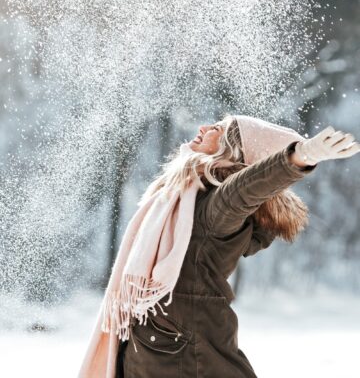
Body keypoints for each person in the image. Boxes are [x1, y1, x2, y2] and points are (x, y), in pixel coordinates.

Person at [78, 114, 360, 378]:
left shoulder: (215, 208)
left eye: (217, 129)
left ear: (232, 152)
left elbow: (244, 190)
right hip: (160, 343)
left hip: (181, 349)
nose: (203, 129)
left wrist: (298, 157)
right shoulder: (183, 199)